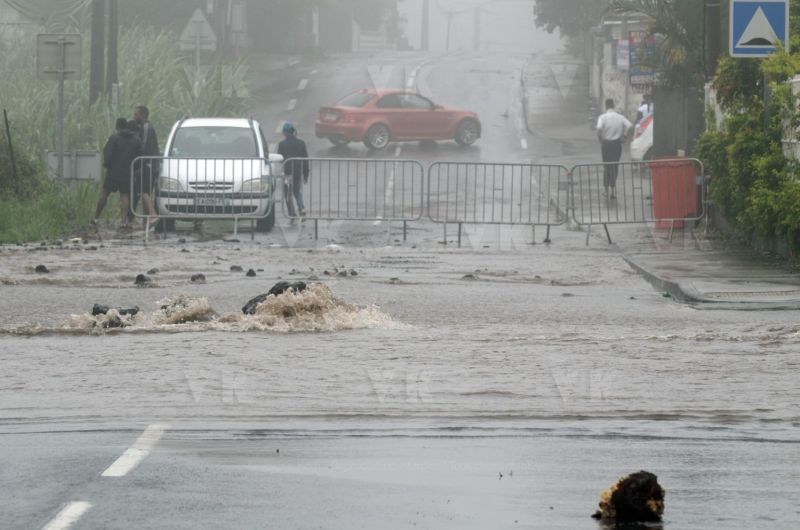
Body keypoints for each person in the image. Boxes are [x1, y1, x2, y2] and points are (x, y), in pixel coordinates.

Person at [91, 118, 143, 229]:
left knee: (104, 193)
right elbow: (139, 157)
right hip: (127, 172)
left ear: (116, 126)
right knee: (124, 196)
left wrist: (108, 165)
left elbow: (107, 153)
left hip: (113, 171)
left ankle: (96, 218)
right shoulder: (136, 140)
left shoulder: (114, 138)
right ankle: (123, 222)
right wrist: (135, 169)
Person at [596, 98, 632, 199]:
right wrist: (625, 136)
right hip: (617, 144)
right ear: (613, 106)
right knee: (615, 166)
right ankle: (613, 192)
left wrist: (600, 139)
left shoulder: (602, 117)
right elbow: (629, 126)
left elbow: (599, 129)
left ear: (606, 106)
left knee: (607, 167)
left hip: (606, 144)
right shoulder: (620, 117)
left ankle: (606, 191)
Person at [130, 105, 161, 224]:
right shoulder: (143, 128)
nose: (134, 116)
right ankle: (146, 221)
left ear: (142, 115)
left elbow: (144, 147)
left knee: (144, 191)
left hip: (148, 164)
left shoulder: (147, 128)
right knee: (144, 191)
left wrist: (140, 165)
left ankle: (153, 215)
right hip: (148, 164)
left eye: (136, 114)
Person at [277, 122, 310, 221]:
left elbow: (280, 159)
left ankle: (292, 214)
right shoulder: (301, 143)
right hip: (298, 173)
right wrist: (306, 174)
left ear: (285, 132)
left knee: (288, 194)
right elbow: (305, 160)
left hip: (288, 174)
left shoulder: (282, 144)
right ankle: (301, 209)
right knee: (297, 192)